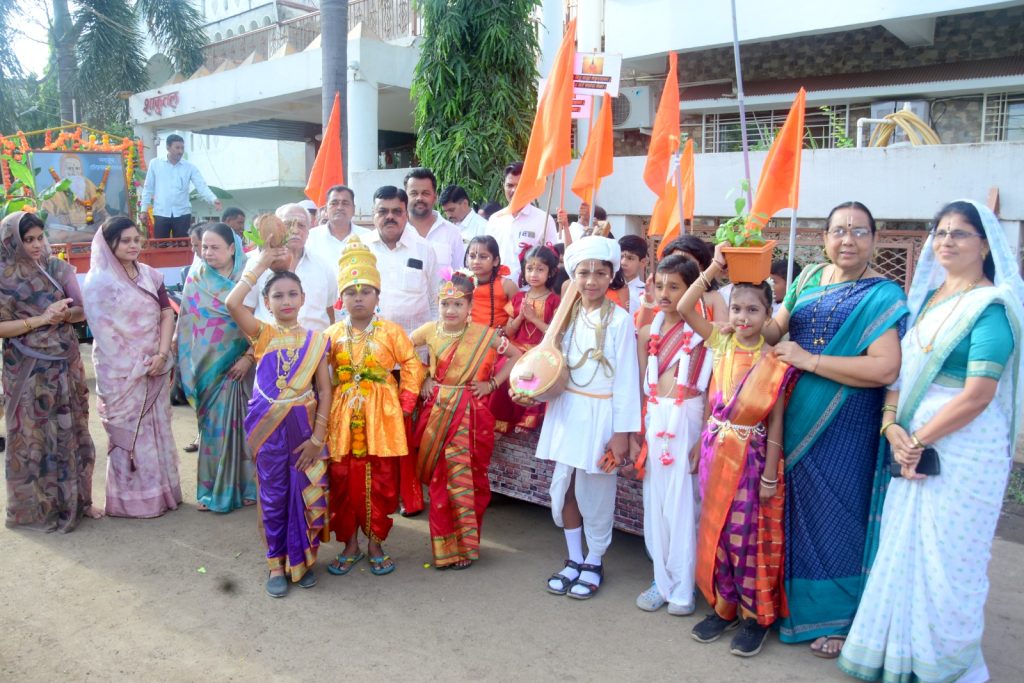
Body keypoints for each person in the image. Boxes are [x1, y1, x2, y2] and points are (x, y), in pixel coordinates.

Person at [838, 200, 1024, 683]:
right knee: (904, 550)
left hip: (962, 452)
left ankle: (947, 665)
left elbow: (978, 395)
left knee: (949, 563)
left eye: (959, 233)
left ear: (985, 245)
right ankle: (900, 656)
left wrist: (916, 439)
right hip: (912, 445)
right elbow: (902, 372)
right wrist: (891, 426)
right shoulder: (929, 299)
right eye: (940, 232)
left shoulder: (991, 307)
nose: (946, 241)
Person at [764, 202, 908, 657]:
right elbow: (772, 333)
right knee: (795, 512)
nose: (848, 240)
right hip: (793, 413)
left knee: (838, 516)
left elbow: (885, 368)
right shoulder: (807, 279)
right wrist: (738, 310)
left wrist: (810, 360)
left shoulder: (882, 295)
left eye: (859, 231)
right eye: (839, 231)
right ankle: (789, 607)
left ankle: (841, 619)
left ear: (874, 240)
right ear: (824, 238)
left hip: (847, 421)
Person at [678, 242, 795, 656]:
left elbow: (776, 420)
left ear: (768, 314)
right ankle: (723, 607)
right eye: (737, 309)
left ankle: (754, 617)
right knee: (718, 533)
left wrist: (770, 475)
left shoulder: (774, 359)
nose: (743, 318)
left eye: (753, 310)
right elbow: (686, 307)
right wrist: (715, 266)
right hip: (716, 450)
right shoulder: (721, 342)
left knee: (748, 537)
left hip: (753, 458)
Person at [527, 236, 640, 599]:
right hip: (568, 412)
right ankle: (574, 557)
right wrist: (528, 388)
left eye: (600, 273)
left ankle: (594, 559)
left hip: (601, 416)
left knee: (596, 492)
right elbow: (550, 364)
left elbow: (626, 381)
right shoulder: (567, 317)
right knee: (565, 488)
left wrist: (621, 433)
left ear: (611, 276)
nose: (591, 281)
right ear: (573, 276)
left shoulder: (620, 320)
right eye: (584, 273)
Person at [225, 263, 332, 598]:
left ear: (303, 299)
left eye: (292, 294)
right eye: (277, 296)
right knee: (273, 495)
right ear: (266, 303)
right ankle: (276, 564)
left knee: (303, 490)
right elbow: (232, 303)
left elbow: (325, 389)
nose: (286, 301)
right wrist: (262, 262)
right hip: (268, 427)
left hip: (303, 426)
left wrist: (318, 438)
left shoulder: (317, 341)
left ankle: (302, 561)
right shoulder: (263, 334)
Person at [322, 237, 424, 577]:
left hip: (381, 418)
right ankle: (350, 545)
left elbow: (412, 365)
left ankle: (376, 544)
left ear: (378, 296)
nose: (358, 298)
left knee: (380, 479)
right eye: (351, 292)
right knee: (341, 479)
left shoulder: (391, 331)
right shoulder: (331, 334)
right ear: (341, 298)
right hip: (342, 418)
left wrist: (405, 404)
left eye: (366, 291)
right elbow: (320, 376)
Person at [411, 272, 522, 569]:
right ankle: (445, 548)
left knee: (466, 479)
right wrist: (423, 377)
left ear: (470, 306)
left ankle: (466, 546)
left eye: (458, 304)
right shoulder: (429, 331)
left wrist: (492, 384)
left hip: (469, 416)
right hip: (437, 412)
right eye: (445, 304)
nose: (451, 310)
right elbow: (404, 351)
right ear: (437, 304)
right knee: (440, 481)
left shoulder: (484, 335)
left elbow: (516, 355)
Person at [0, 211, 100, 530]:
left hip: (64, 363)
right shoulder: (2, 276)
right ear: (11, 242)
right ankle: (34, 509)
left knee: (70, 431)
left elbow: (81, 310)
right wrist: (42, 319)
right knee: (31, 437)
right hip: (25, 370)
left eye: (39, 237)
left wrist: (63, 315)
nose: (35, 245)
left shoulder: (56, 268)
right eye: (27, 240)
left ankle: (76, 502)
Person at [83, 217, 181, 518]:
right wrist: (139, 365)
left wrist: (161, 355)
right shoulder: (98, 283)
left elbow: (166, 313)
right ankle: (130, 501)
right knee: (127, 434)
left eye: (137, 240)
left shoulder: (150, 275)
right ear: (108, 243)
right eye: (125, 240)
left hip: (155, 364)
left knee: (157, 430)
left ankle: (162, 495)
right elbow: (105, 333)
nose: (133, 245)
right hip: (119, 371)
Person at [634, 255, 710, 616]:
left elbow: (713, 391)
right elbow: (640, 387)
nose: (665, 293)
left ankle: (684, 586)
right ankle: (660, 580)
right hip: (656, 419)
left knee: (685, 505)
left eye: (675, 287)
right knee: (657, 504)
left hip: (689, 418)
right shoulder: (646, 333)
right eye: (660, 285)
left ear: (692, 291)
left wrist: (702, 437)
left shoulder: (705, 334)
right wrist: (638, 432)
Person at [176, 222, 257, 512]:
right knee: (213, 430)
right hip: (207, 366)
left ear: (232, 248)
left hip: (245, 363)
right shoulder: (196, 276)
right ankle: (212, 490)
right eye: (204, 247)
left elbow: (262, 321)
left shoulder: (249, 276)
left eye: (215, 247)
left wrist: (248, 357)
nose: (208, 253)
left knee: (245, 425)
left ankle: (248, 487)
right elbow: (187, 320)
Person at [490, 244, 561, 433]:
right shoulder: (518, 298)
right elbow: (509, 331)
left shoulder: (555, 301)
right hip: (517, 348)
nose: (534, 274)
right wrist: (520, 317)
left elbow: (555, 333)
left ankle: (528, 418)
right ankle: (503, 419)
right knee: (502, 369)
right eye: (529, 269)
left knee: (535, 373)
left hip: (541, 350)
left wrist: (534, 319)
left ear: (550, 272)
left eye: (540, 269)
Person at [242, 204, 337, 333]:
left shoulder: (323, 266)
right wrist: (258, 342)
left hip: (315, 344)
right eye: (287, 225)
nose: (295, 230)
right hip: (270, 344)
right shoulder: (257, 264)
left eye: (301, 225)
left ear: (308, 231)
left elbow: (330, 312)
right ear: (276, 229)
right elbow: (245, 311)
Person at [363, 186, 439, 336]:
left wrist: (435, 340)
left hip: (415, 343)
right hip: (370, 341)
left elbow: (435, 300)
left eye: (397, 211)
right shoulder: (360, 248)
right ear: (373, 214)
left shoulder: (424, 249)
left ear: (407, 215)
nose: (390, 217)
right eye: (383, 211)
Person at [487, 162, 559, 282]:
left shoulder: (544, 220)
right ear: (503, 186)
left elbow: (553, 258)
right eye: (510, 185)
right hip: (498, 288)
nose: (514, 190)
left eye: (520, 185)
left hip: (529, 290)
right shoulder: (495, 219)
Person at [141, 134, 221, 238]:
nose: (180, 151)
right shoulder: (155, 164)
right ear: (168, 147)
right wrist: (143, 210)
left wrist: (213, 199)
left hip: (183, 214)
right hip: (161, 213)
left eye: (182, 148)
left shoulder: (190, 167)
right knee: (161, 245)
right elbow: (148, 188)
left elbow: (202, 186)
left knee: (183, 244)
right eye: (177, 148)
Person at [405, 168, 465, 271]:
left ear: (435, 197)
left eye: (425, 193)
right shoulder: (397, 232)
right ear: (405, 197)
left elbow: (459, 273)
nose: (419, 198)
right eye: (414, 193)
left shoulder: (452, 233)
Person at [306, 185, 370, 268]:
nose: (340, 207)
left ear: (354, 209)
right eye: (334, 203)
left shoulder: (367, 237)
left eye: (345, 203)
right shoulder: (311, 237)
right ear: (325, 209)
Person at [465, 235, 518, 331]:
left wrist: (501, 332)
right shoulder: (463, 284)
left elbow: (517, 318)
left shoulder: (507, 286)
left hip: (499, 337)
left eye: (483, 257)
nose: (476, 261)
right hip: (468, 336)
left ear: (495, 261)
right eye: (472, 256)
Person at [618, 234, 648, 316]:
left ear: (643, 262)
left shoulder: (645, 292)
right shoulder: (609, 288)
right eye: (621, 257)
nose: (623, 262)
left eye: (630, 258)